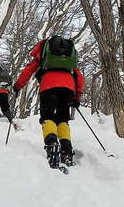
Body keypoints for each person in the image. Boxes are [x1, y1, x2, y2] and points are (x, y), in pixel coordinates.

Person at [13, 35, 84, 168]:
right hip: (68, 87)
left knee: (48, 117)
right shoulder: (69, 56)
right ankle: (66, 149)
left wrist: (18, 85)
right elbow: (78, 75)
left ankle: (52, 144)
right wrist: (77, 96)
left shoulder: (43, 50)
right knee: (63, 119)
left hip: (48, 85)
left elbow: (29, 69)